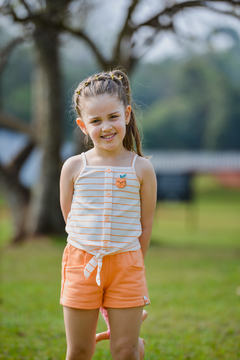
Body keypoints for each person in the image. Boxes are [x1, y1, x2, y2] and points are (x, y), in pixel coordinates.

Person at [59, 69, 157, 360]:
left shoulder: (141, 169)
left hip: (127, 265)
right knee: (79, 350)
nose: (106, 127)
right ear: (82, 125)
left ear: (127, 114)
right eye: (96, 121)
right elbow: (70, 219)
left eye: (113, 116)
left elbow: (146, 223)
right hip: (81, 264)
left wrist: (131, 262)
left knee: (124, 351)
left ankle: (134, 346)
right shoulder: (74, 167)